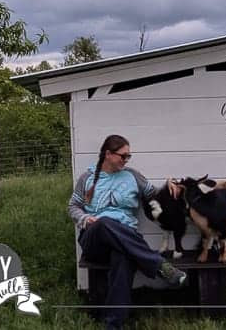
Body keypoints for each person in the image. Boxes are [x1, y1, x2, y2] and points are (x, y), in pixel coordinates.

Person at [68, 134, 187, 330]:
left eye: (128, 157)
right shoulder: (87, 178)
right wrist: (85, 218)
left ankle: (113, 325)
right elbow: (73, 207)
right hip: (95, 239)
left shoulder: (133, 176)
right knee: (105, 222)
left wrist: (169, 185)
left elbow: (154, 194)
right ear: (108, 154)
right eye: (122, 156)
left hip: (126, 240)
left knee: (123, 258)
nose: (126, 160)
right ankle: (159, 265)